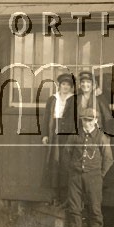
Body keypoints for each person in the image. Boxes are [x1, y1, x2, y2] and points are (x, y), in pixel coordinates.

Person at [65, 108, 114, 227]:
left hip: (94, 177)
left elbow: (109, 159)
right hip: (75, 176)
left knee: (94, 207)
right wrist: (73, 169)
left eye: (90, 120)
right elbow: (67, 153)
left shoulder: (101, 137)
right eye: (84, 120)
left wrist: (100, 174)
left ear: (96, 120)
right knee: (74, 207)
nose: (87, 123)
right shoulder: (74, 135)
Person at [41, 73, 76, 205]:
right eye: (63, 84)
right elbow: (46, 119)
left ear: (71, 87)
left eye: (68, 85)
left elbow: (75, 119)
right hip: (53, 135)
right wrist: (45, 135)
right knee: (54, 162)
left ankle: (65, 196)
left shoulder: (73, 100)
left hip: (67, 135)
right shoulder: (52, 99)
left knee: (66, 163)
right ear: (59, 85)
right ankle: (55, 196)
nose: (65, 87)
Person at [76, 70, 113, 135]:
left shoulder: (100, 99)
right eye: (83, 82)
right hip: (78, 135)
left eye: (88, 82)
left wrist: (106, 136)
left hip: (96, 135)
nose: (85, 84)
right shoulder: (75, 99)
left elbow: (107, 118)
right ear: (80, 84)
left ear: (93, 84)